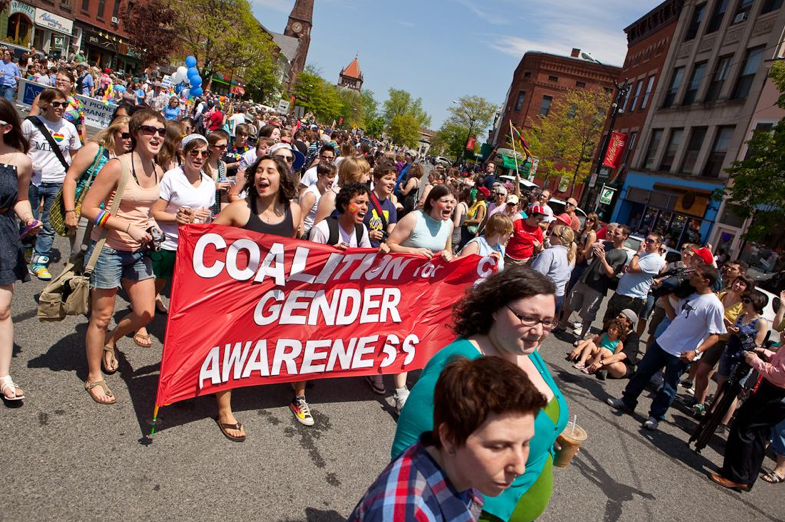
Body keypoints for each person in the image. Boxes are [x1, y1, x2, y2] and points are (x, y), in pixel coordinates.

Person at [392, 265, 568, 522]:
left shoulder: (522, 349)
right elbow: (408, 450)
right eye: (528, 318)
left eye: (547, 322)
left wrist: (548, 435)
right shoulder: (458, 365)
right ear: (495, 309)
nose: (539, 332)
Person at [350, 356, 545, 522]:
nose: (520, 468)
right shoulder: (406, 514)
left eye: (525, 443)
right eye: (499, 447)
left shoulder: (453, 467)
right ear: (450, 438)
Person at [210, 155, 301, 441]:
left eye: (270, 171)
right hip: (236, 292)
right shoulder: (239, 209)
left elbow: (293, 249)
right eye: (259, 171)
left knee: (254, 345)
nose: (263, 176)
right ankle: (224, 410)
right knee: (229, 347)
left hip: (270, 295)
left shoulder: (294, 211)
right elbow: (205, 242)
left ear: (282, 178)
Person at [79, 109, 166, 405]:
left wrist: (152, 227)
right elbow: (88, 208)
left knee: (146, 313)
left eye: (161, 131)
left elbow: (146, 210)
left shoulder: (158, 170)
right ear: (137, 133)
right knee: (101, 317)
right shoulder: (117, 165)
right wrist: (128, 227)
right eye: (149, 130)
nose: (156, 136)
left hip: (139, 252)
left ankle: (111, 341)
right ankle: (93, 377)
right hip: (109, 249)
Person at [608, 264, 726, 431]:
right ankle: (627, 402)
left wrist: (696, 352)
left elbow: (715, 335)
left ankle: (655, 417)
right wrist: (664, 297)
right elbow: (674, 317)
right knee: (642, 372)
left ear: (706, 281)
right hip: (663, 343)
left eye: (696, 274)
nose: (691, 276)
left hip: (681, 353)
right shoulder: (690, 294)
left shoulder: (714, 305)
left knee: (668, 387)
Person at [385, 184, 455, 408]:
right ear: (433, 201)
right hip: (402, 287)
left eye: (452, 202)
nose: (449, 206)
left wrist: (447, 255)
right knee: (403, 334)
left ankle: (397, 376)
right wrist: (413, 251)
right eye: (445, 201)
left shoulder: (449, 225)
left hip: (428, 290)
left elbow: (448, 251)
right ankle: (400, 392)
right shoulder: (414, 219)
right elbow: (390, 245)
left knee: (419, 334)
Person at [0, 98, 41, 403]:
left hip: (2, 233)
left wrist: (28, 218)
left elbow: (21, 198)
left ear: (6, 127)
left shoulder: (20, 161)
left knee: (2, 309)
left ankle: (3, 376)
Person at [149, 134, 215, 318]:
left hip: (192, 245)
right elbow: (155, 212)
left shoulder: (209, 183)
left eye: (204, 153)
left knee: (182, 287)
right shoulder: (171, 177)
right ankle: (141, 321)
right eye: (194, 152)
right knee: (157, 282)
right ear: (183, 154)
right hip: (168, 242)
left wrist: (206, 218)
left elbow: (208, 213)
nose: (199, 157)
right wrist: (177, 218)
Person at [22, 88, 82, 280]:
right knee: (29, 220)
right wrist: (25, 165)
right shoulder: (30, 124)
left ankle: (40, 261)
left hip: (57, 180)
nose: (61, 107)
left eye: (64, 104)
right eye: (56, 104)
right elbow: (20, 148)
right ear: (45, 104)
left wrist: (74, 178)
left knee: (48, 224)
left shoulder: (69, 128)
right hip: (32, 180)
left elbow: (75, 155)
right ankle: (27, 247)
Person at [709, 338, 785, 490]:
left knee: (745, 429)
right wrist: (766, 353)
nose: (783, 332)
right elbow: (780, 362)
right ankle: (743, 476)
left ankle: (736, 477)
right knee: (757, 434)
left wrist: (755, 361)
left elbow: (781, 375)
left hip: (775, 395)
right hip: (773, 393)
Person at [62, 115, 132, 255]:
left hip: (112, 218)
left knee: (100, 259)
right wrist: (69, 211)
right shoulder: (96, 149)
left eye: (133, 137)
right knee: (79, 256)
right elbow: (71, 178)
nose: (129, 140)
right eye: (125, 135)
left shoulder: (132, 159)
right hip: (85, 214)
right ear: (114, 132)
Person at [689, 275, 753, 416]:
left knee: (703, 371)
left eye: (742, 284)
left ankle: (701, 403)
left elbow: (738, 326)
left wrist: (721, 316)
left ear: (747, 289)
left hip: (721, 340)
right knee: (699, 369)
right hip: (706, 334)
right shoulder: (723, 295)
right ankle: (696, 400)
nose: (737, 285)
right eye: (737, 282)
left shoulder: (743, 306)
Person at [711, 290, 770, 433]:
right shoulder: (742, 315)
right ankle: (712, 416)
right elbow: (730, 334)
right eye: (743, 300)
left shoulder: (761, 322)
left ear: (756, 303)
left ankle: (723, 423)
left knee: (732, 392)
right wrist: (731, 330)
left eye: (747, 301)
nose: (743, 303)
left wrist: (740, 334)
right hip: (729, 353)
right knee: (721, 386)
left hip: (742, 360)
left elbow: (756, 345)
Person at [559, 225, 630, 343]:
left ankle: (581, 337)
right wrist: (592, 246)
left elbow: (611, 273)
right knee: (570, 303)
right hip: (585, 279)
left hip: (598, 287)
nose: (613, 235)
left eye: (617, 233)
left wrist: (603, 259)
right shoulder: (605, 244)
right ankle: (561, 325)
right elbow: (588, 257)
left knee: (588, 313)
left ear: (625, 237)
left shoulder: (622, 255)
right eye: (614, 232)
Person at [602, 232, 666, 323]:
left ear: (658, 244)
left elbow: (632, 268)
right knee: (608, 322)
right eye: (646, 240)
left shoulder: (654, 259)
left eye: (651, 241)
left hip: (632, 297)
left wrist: (638, 253)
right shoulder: (644, 254)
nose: (647, 242)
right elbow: (630, 268)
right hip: (621, 292)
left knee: (620, 325)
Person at [30, 68, 88, 144]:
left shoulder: (77, 103)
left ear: (71, 84)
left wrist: (85, 145)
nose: (60, 82)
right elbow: (32, 117)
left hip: (67, 142)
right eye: (58, 79)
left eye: (63, 80)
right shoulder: (45, 96)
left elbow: (81, 127)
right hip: (44, 138)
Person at [313, 156, 370, 224]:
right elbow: (318, 226)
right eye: (366, 175)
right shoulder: (331, 197)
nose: (368, 179)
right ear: (355, 175)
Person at [531, 224, 575, 313]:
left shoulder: (549, 253)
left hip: (545, 296)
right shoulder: (569, 254)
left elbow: (536, 276)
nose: (550, 235)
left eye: (553, 233)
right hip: (558, 296)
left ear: (559, 239)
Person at [364, 161, 398, 248]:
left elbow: (391, 233)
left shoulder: (391, 207)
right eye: (388, 178)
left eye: (394, 180)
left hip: (378, 251)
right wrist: (368, 234)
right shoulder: (364, 200)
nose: (392, 183)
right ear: (376, 180)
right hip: (361, 249)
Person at [298, 162, 335, 237]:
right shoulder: (311, 195)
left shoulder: (326, 191)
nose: (333, 180)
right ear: (320, 176)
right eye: (329, 177)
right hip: (307, 234)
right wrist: (302, 238)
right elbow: (300, 218)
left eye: (334, 177)